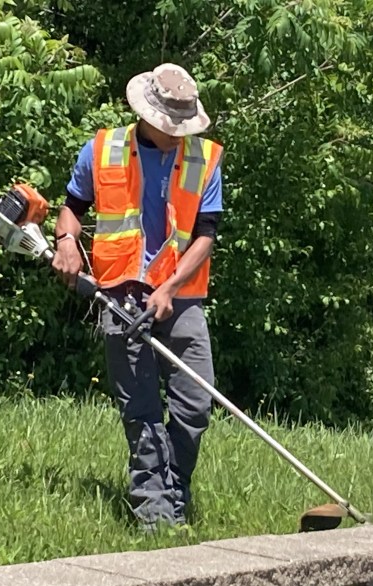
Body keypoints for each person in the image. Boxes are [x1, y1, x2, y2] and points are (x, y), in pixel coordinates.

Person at [52, 63, 224, 531]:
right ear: (146, 114)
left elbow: (206, 235)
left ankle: (175, 493)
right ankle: (155, 515)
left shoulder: (204, 158)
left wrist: (169, 287)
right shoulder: (102, 150)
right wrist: (67, 241)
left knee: (195, 402)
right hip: (119, 294)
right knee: (142, 410)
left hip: (181, 295)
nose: (176, 134)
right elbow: (71, 207)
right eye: (170, 125)